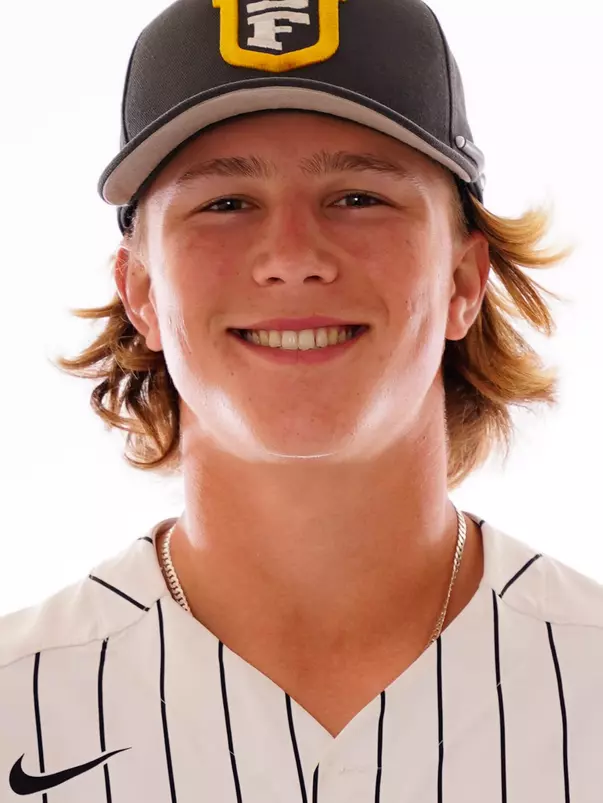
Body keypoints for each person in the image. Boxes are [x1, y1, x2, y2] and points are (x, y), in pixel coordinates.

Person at [0, 0, 599, 800]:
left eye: (357, 196)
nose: (290, 258)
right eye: (224, 203)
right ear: (139, 290)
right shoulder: (19, 702)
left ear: (462, 280)